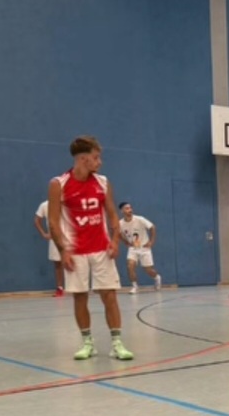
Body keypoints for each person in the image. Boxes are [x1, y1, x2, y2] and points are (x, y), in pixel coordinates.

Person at [47, 135, 133, 360]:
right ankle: (87, 343)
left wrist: (115, 241)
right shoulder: (58, 184)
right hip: (75, 252)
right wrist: (63, 250)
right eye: (96, 157)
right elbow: (53, 222)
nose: (100, 162)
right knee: (80, 297)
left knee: (109, 296)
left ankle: (117, 343)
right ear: (83, 159)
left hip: (101, 249)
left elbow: (112, 214)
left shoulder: (103, 182)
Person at [118, 202, 162, 293]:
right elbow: (118, 233)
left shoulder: (140, 219)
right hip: (133, 248)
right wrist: (126, 242)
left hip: (144, 247)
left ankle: (157, 277)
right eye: (127, 208)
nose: (130, 210)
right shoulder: (120, 223)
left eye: (130, 208)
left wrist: (151, 241)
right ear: (122, 211)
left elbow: (152, 227)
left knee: (148, 270)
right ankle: (135, 286)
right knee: (130, 265)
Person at [33, 199, 65, 296]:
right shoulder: (45, 205)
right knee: (58, 263)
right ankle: (60, 288)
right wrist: (44, 234)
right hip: (54, 238)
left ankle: (78, 288)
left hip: (69, 236)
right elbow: (37, 220)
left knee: (76, 261)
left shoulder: (67, 203)